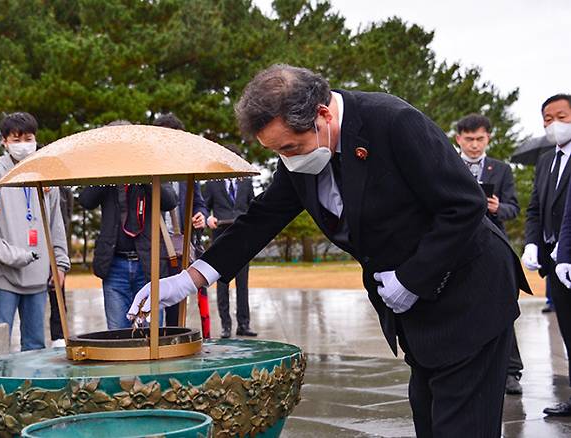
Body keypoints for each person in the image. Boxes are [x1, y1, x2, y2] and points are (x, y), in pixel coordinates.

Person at [129, 64, 530, 437]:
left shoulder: (392, 122)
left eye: (291, 145)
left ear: (323, 115)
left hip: (468, 290)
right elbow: (259, 220)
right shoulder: (301, 158)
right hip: (415, 309)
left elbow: (463, 204)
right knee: (429, 415)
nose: (286, 158)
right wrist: (188, 279)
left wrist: (412, 278)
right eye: (277, 152)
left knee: (461, 425)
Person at [0, 112, 70, 351]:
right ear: (4, 142)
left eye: (28, 138)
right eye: (16, 140)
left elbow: (56, 225)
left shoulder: (46, 180)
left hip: (38, 278)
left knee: (35, 346)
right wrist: (13, 255)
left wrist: (60, 263)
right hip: (2, 277)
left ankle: (33, 388)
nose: (23, 145)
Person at [78, 120, 178, 330]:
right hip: (114, 264)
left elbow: (170, 201)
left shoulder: (150, 167)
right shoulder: (104, 173)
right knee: (118, 333)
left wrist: (143, 173)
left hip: (147, 263)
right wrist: (105, 168)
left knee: (152, 334)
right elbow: (86, 200)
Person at [455, 113, 524, 395]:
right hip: (457, 246)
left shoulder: (501, 169)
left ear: (488, 138)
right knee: (460, 307)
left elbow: (514, 208)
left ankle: (510, 372)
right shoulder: (447, 164)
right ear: (458, 139)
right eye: (469, 139)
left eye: (480, 139)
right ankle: (466, 365)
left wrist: (497, 207)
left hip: (493, 244)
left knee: (503, 306)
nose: (474, 145)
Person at [527, 93, 571, 416]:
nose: (553, 124)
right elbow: (534, 209)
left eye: (561, 116)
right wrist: (533, 243)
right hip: (554, 264)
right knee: (567, 330)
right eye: (547, 118)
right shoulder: (545, 161)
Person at [152, 114, 210, 334]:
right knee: (152, 305)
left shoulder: (188, 170)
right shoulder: (146, 169)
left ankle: (171, 347)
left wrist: (200, 216)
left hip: (180, 247)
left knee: (176, 308)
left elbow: (200, 203)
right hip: (152, 247)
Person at [203, 144, 257, 338]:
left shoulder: (246, 182)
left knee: (243, 284)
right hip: (220, 238)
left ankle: (244, 324)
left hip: (243, 239)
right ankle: (226, 325)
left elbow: (254, 207)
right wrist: (208, 218)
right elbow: (203, 207)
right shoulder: (212, 183)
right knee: (222, 284)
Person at [47, 186, 73, 347]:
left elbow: (64, 221)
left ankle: (59, 336)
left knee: (58, 294)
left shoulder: (63, 191)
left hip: (55, 250)